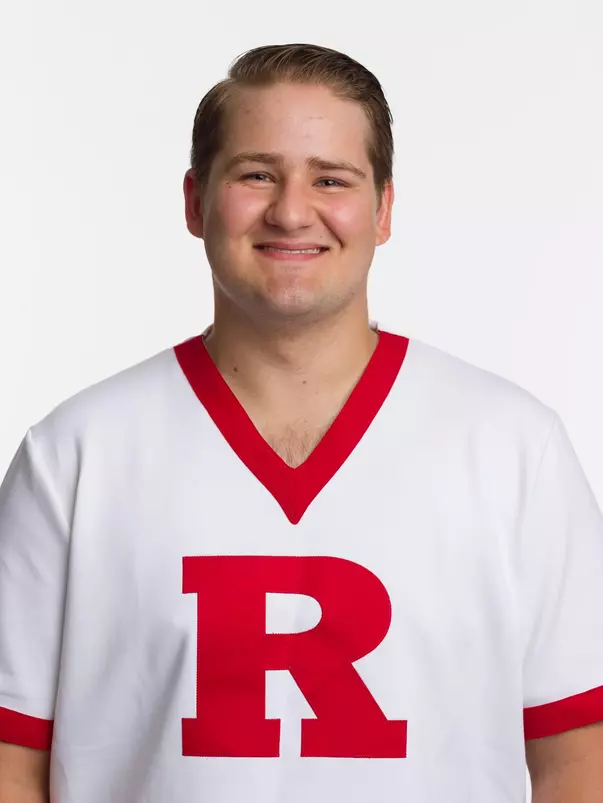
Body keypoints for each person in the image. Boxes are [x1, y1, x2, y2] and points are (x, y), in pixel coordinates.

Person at [0, 42, 602, 803]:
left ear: (382, 208)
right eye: (256, 174)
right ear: (194, 201)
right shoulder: (73, 458)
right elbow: (11, 760)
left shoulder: (515, 451)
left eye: (330, 178)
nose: (290, 209)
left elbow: (578, 756)